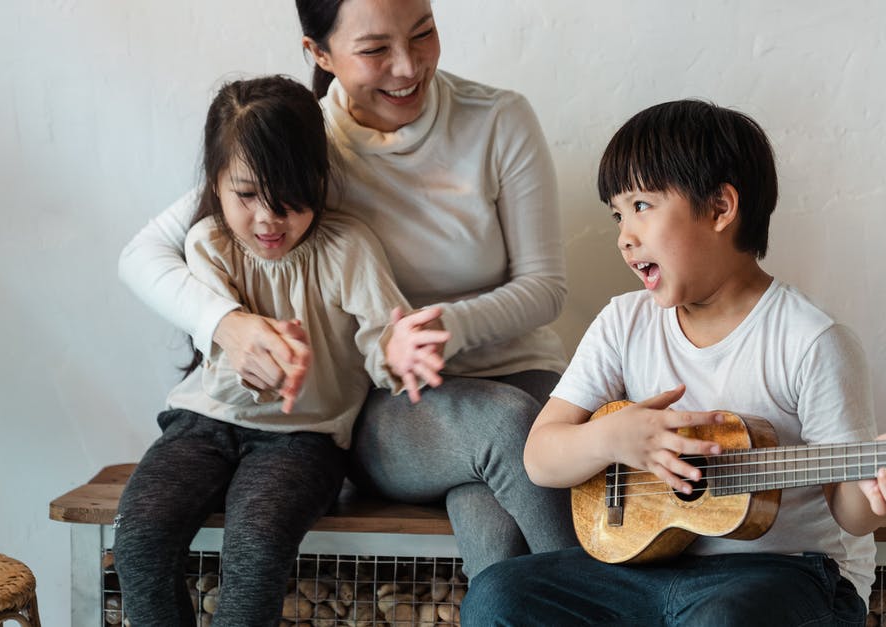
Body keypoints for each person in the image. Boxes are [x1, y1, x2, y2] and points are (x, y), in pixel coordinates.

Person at [118, 0, 576, 578]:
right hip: (393, 402)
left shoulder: (498, 119)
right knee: (508, 427)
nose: (408, 67)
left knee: (489, 504)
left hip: (522, 374)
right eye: (375, 49)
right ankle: (607, 606)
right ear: (319, 54)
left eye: (423, 34)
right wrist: (227, 325)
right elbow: (143, 253)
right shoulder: (300, 147)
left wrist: (444, 330)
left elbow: (545, 286)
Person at [460, 100, 886, 626]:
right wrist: (615, 439)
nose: (624, 235)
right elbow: (540, 458)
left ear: (719, 208)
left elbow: (849, 512)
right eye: (617, 214)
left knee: (724, 619)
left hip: (789, 575)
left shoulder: (811, 340)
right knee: (497, 594)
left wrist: (877, 485)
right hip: (652, 568)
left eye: (642, 205)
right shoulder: (624, 322)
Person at [113, 75, 418, 625]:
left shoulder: (349, 248)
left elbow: (383, 337)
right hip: (203, 421)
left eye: (288, 199)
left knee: (255, 545)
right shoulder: (208, 243)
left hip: (304, 437)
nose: (267, 221)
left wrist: (399, 358)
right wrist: (250, 370)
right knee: (140, 533)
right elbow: (219, 373)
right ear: (215, 183)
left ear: (319, 180)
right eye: (247, 194)